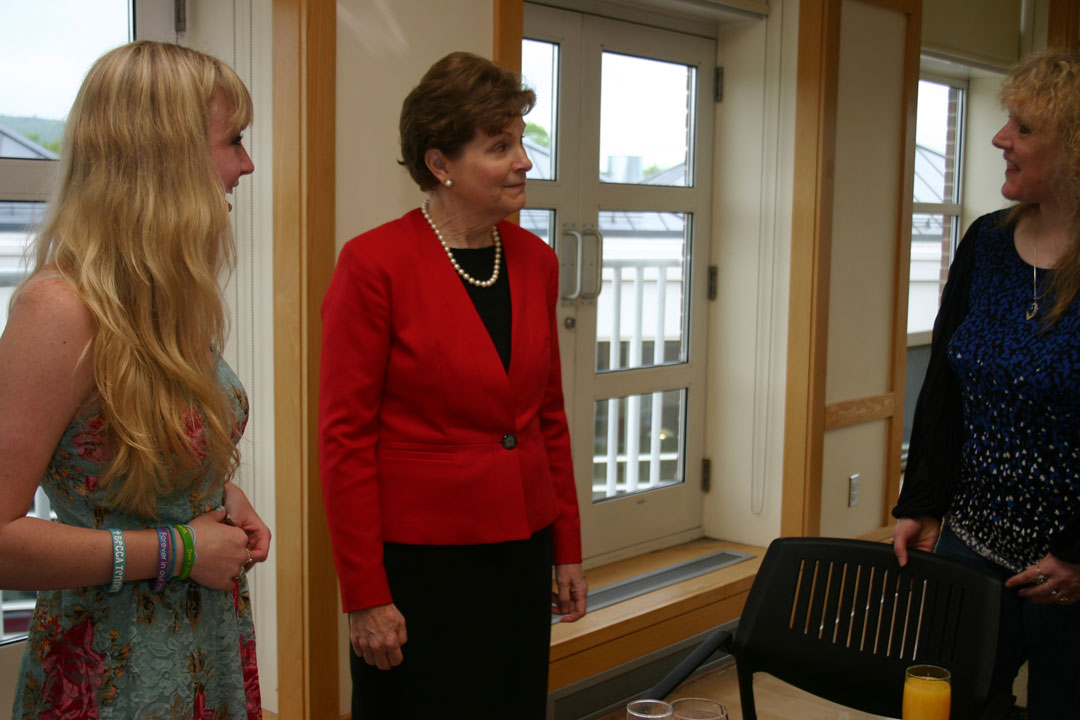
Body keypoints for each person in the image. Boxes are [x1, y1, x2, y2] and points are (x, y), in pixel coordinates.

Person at [0, 41, 269, 719]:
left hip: (201, 648)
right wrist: (177, 549)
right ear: (165, 154)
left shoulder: (168, 298)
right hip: (110, 677)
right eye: (233, 140)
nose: (246, 163)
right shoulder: (59, 308)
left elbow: (120, 466)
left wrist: (218, 492)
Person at [319, 51, 587, 719]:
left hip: (522, 552)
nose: (524, 160)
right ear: (440, 163)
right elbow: (344, 439)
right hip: (419, 569)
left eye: (521, 141)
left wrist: (568, 550)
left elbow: (547, 413)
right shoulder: (373, 264)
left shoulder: (536, 261)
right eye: (501, 146)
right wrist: (365, 593)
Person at [892, 48, 1080, 718]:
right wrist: (921, 502)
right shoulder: (985, 243)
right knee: (957, 706)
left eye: (1024, 128)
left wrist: (1078, 555)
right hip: (970, 546)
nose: (1002, 138)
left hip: (1070, 573)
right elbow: (944, 384)